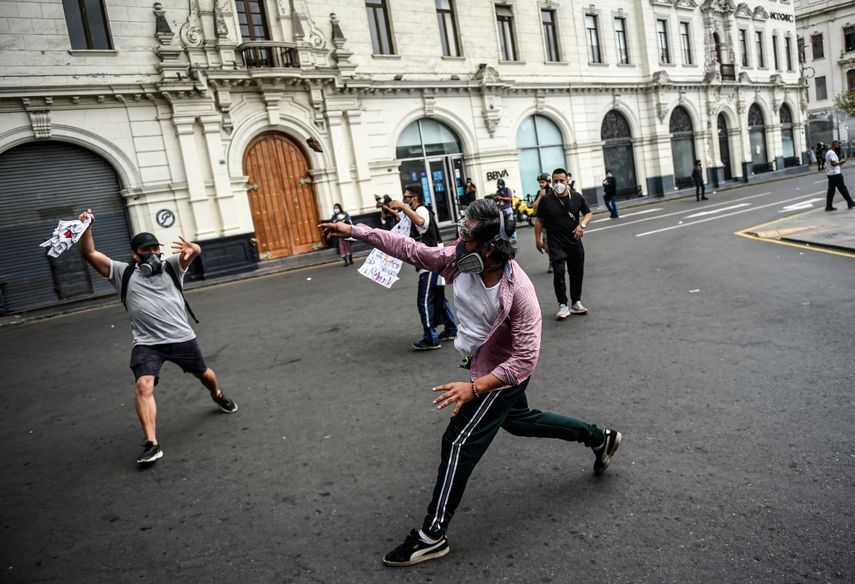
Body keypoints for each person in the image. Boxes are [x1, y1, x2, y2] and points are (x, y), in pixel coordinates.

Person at [320, 199, 621, 567]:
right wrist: (355, 231)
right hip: (482, 364)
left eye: (466, 235)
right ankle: (599, 437)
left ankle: (432, 535)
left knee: (458, 442)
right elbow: (409, 248)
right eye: (461, 231)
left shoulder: (519, 292)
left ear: (491, 247)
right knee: (520, 421)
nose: (459, 241)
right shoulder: (456, 260)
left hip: (501, 374)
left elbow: (524, 359)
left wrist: (474, 389)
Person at [77, 209, 238, 465]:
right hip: (147, 343)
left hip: (181, 338)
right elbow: (90, 254)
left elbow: (194, 253)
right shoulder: (122, 273)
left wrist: (194, 248)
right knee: (143, 385)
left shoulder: (172, 267)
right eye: (146, 250)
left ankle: (217, 394)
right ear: (135, 254)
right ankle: (152, 444)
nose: (152, 253)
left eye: (155, 248)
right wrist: (86, 228)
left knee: (204, 374)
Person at [388, 185, 457, 350]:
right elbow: (408, 221)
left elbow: (421, 222)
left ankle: (431, 338)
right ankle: (451, 329)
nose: (404, 199)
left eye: (406, 197)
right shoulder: (416, 210)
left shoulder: (421, 210)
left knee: (424, 301)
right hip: (433, 259)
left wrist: (403, 206)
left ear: (414, 198)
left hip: (430, 262)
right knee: (439, 296)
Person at [534, 168, 593, 320]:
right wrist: (538, 240)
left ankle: (576, 302)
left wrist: (582, 225)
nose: (558, 184)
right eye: (556, 181)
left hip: (574, 242)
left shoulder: (576, 197)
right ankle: (563, 305)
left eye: (562, 180)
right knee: (559, 273)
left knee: (576, 272)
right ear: (552, 182)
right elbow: (539, 220)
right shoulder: (546, 200)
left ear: (567, 181)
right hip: (556, 243)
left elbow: (588, 213)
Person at [531, 172, 553, 273]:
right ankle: (552, 261)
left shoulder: (553, 191)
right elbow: (534, 207)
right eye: (540, 182)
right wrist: (540, 196)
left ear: (548, 182)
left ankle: (557, 261)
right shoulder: (539, 193)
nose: (541, 184)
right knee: (547, 245)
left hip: (555, 224)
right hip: (545, 225)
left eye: (543, 182)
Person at [824, 140, 855, 211]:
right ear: (834, 145)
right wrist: (842, 161)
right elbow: (833, 164)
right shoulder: (831, 153)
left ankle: (828, 206)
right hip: (836, 174)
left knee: (831, 191)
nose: (839, 147)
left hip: (831, 174)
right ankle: (850, 202)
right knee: (843, 189)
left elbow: (834, 164)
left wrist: (841, 162)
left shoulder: (829, 152)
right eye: (838, 145)